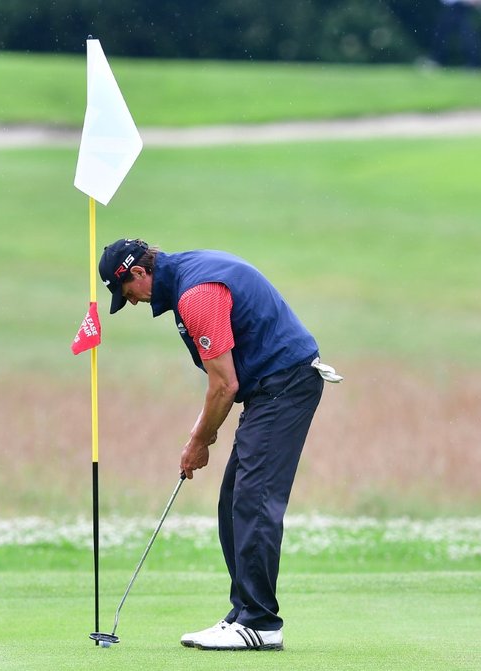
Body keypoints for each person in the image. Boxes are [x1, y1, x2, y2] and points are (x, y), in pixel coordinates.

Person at [98, 238, 341, 651]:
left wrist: (198, 441)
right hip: (272, 387)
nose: (133, 303)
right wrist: (202, 436)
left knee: (253, 498)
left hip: (286, 385)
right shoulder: (187, 277)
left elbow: (225, 384)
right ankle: (243, 614)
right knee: (235, 497)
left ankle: (261, 623)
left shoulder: (196, 296)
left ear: (139, 274)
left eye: (128, 294)